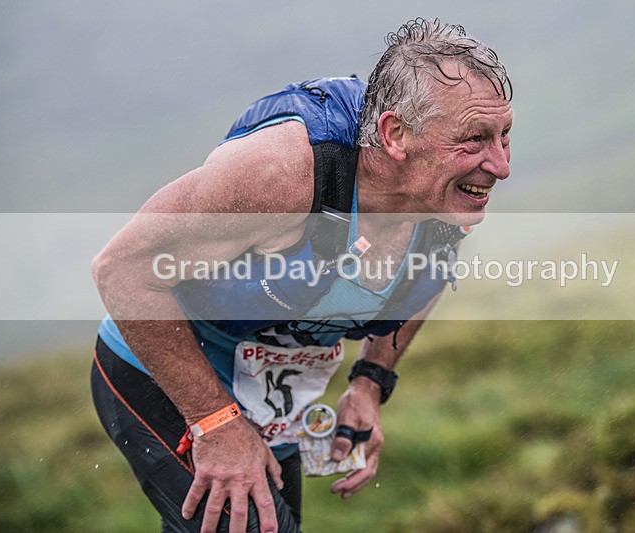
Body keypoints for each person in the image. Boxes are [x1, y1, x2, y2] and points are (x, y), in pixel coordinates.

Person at [90, 17, 512, 533]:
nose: (500, 165)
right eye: (474, 139)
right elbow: (121, 270)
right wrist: (214, 421)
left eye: (504, 136)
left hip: (269, 393)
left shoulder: (447, 196)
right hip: (164, 369)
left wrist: (370, 382)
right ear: (395, 134)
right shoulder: (282, 175)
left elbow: (420, 278)